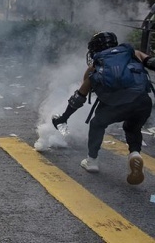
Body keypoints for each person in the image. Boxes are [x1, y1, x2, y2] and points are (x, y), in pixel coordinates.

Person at [52, 31, 152, 185]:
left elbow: (78, 98)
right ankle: (134, 154)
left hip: (115, 105)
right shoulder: (132, 52)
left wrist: (63, 118)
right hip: (142, 102)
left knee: (97, 123)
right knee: (132, 128)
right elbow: (151, 62)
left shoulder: (95, 66)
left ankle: (92, 161)